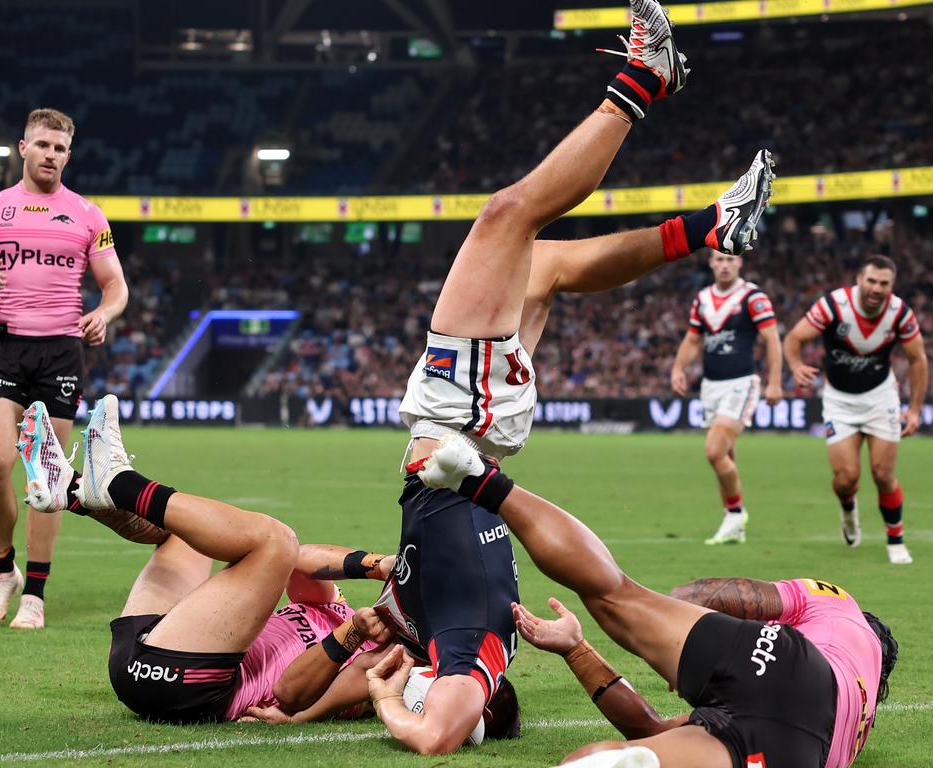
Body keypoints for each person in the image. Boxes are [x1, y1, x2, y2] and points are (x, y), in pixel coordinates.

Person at [367, 0, 775, 754]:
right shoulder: (466, 645)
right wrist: (388, 697)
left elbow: (368, 687)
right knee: (507, 218)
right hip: (462, 418)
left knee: (547, 258)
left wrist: (361, 666)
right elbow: (437, 736)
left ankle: (713, 223)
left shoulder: (440, 629)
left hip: (464, 430)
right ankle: (640, 84)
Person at [413, 434, 897, 768]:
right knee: (619, 756)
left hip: (781, 659)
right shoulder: (861, 711)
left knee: (617, 594)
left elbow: (747, 598)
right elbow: (652, 731)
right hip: (796, 748)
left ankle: (482, 480)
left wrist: (667, 618)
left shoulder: (842, 607)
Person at [17, 394, 396, 723]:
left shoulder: (390, 655)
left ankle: (120, 483)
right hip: (147, 656)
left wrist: (352, 635)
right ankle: (71, 490)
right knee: (190, 534)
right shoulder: (340, 610)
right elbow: (302, 561)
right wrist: (378, 566)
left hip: (188, 686)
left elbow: (291, 693)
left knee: (275, 541)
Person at [0, 108, 129, 629]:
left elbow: (115, 287)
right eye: (43, 145)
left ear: (68, 155)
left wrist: (102, 313)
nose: (51, 154)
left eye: (60, 148)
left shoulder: (87, 215)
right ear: (23, 148)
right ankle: (2, 568)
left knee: (46, 479)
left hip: (60, 352)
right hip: (4, 349)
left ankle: (35, 593)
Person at [784, 255, 927, 564]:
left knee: (883, 472)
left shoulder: (899, 313)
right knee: (846, 478)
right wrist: (795, 365)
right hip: (838, 400)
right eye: (872, 281)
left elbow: (918, 360)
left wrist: (914, 410)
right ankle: (848, 508)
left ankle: (896, 540)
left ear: (892, 285)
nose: (876, 288)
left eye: (884, 283)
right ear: (860, 279)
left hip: (880, 398)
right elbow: (794, 338)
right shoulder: (833, 306)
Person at [670, 250, 783, 545]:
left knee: (714, 451)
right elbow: (693, 338)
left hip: (741, 383)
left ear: (739, 262)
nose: (724, 265)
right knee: (726, 455)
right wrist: (679, 368)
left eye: (729, 260)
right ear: (710, 263)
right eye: (719, 260)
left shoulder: (752, 297)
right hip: (711, 386)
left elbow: (771, 338)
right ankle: (735, 524)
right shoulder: (703, 298)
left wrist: (774, 381)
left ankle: (735, 513)